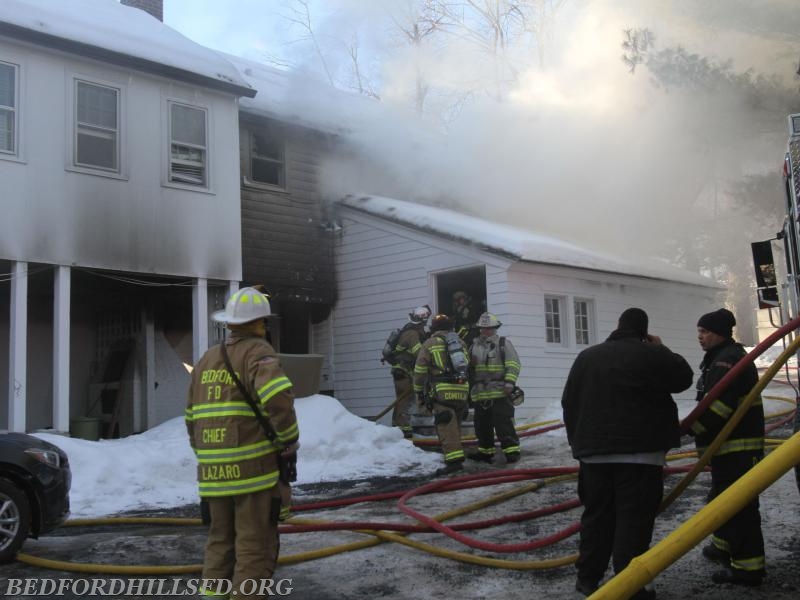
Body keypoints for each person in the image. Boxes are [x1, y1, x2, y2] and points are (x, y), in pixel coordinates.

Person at [561, 308, 693, 599]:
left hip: (594, 456)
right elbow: (684, 378)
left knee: (596, 518)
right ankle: (630, 586)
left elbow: (568, 402)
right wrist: (661, 348)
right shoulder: (652, 355)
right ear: (644, 332)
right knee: (633, 522)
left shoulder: (587, 357)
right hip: (640, 457)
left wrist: (580, 445)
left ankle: (587, 580)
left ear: (617, 326)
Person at [185, 287, 299, 600]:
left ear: (230, 323)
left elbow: (191, 417)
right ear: (261, 322)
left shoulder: (206, 360)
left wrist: (208, 456)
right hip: (253, 475)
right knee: (254, 547)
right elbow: (278, 401)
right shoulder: (259, 353)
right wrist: (289, 443)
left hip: (212, 475)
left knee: (220, 543)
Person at [692, 308, 766, 587]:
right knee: (721, 499)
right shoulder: (722, 357)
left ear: (720, 333)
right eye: (699, 331)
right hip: (729, 448)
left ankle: (747, 569)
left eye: (705, 332)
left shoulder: (727, 361)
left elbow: (719, 407)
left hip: (737, 449)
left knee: (738, 508)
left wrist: (688, 431)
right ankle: (722, 546)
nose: (700, 337)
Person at [413, 313, 470, 474]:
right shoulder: (461, 343)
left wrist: (419, 390)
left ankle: (454, 462)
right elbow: (467, 365)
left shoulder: (429, 343)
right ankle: (456, 455)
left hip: (442, 392)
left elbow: (420, 370)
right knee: (455, 425)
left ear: (434, 329)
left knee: (446, 426)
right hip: (462, 390)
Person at [467, 312, 522, 464]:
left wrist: (510, 383)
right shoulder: (473, 347)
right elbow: (470, 370)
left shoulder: (503, 344)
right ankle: (485, 452)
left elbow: (514, 364)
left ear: (495, 328)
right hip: (480, 394)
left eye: (489, 328)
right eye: (483, 328)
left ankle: (512, 452)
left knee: (503, 424)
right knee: (482, 426)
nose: (486, 331)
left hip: (500, 392)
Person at [388, 305, 431, 438]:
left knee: (403, 399)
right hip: (403, 371)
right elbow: (418, 353)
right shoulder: (412, 333)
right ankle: (402, 428)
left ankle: (398, 426)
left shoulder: (411, 330)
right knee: (404, 399)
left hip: (403, 371)